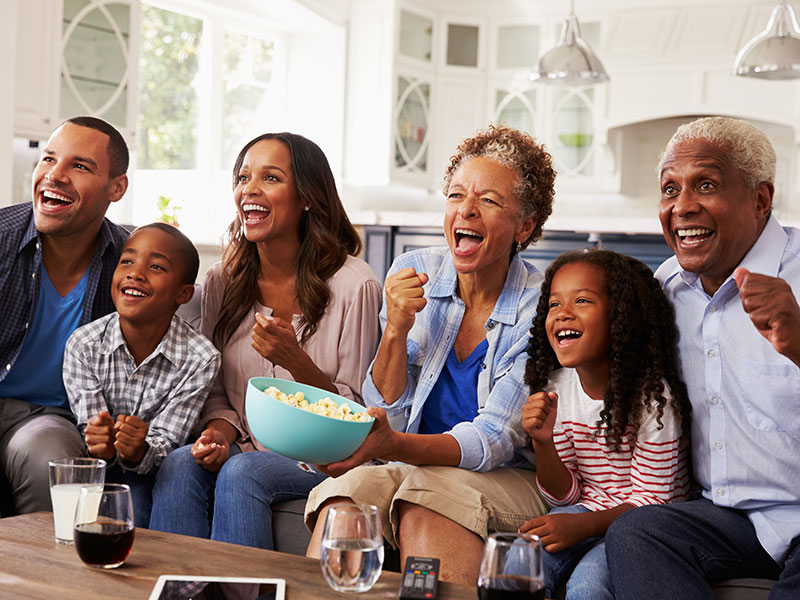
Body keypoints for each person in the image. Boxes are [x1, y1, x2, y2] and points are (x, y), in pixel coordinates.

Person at [305, 125, 555, 584]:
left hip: (509, 475)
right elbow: (389, 412)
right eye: (456, 195)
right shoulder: (414, 270)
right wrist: (396, 329)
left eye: (489, 200)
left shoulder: (540, 303)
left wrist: (391, 446)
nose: (466, 209)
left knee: (429, 495)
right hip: (413, 463)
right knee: (345, 493)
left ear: (525, 226)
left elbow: (495, 440)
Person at [148, 132, 382, 547]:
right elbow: (215, 389)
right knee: (180, 464)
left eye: (270, 178)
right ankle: (177, 582)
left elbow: (357, 415)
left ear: (307, 196)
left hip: (324, 456)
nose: (249, 190)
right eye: (243, 178)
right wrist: (219, 434)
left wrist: (296, 361)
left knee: (244, 472)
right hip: (245, 444)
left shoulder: (354, 285)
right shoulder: (223, 280)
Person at [605, 116, 800, 599]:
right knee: (637, 534)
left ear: (761, 199)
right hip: (725, 519)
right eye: (670, 189)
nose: (683, 207)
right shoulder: (664, 289)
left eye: (706, 185)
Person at [521, 249, 691, 599]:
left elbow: (651, 503)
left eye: (582, 300)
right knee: (521, 561)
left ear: (621, 317)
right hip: (586, 510)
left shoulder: (653, 399)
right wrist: (542, 441)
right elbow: (565, 495)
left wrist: (583, 526)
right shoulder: (556, 389)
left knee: (588, 585)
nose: (563, 313)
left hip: (645, 528)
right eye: (554, 304)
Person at [0, 116, 130, 515]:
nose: (54, 175)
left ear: (116, 188)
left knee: (51, 458)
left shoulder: (129, 265)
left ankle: (50, 558)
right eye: (49, 159)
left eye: (80, 166)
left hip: (51, 419)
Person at [62, 223, 221, 527]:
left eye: (156, 266)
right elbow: (90, 427)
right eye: (127, 261)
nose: (135, 273)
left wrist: (140, 450)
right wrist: (100, 442)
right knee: (105, 504)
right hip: (102, 467)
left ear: (183, 294)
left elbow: (168, 440)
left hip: (158, 470)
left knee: (135, 502)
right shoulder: (83, 345)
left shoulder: (202, 358)